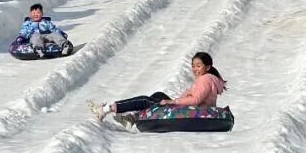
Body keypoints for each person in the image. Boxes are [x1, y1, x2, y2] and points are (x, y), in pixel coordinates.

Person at [90, 52, 226, 122]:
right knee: (158, 95)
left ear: (207, 67)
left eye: (198, 66)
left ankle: (106, 109)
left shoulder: (205, 79)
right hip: (191, 109)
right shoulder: (206, 78)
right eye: (193, 66)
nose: (195, 69)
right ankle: (132, 118)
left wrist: (172, 102)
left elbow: (196, 100)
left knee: (144, 100)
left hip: (192, 112)